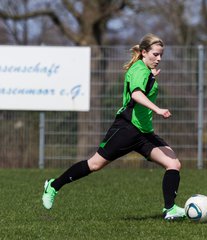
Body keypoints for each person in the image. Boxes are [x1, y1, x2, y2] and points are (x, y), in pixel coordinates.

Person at [42, 33, 186, 220]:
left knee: (173, 163)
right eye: (155, 54)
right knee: (94, 164)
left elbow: (141, 89)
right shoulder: (138, 70)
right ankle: (53, 186)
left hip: (143, 132)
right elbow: (135, 95)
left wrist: (151, 78)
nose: (159, 59)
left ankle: (170, 209)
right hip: (126, 129)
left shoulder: (145, 71)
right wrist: (158, 109)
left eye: (161, 55)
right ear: (144, 52)